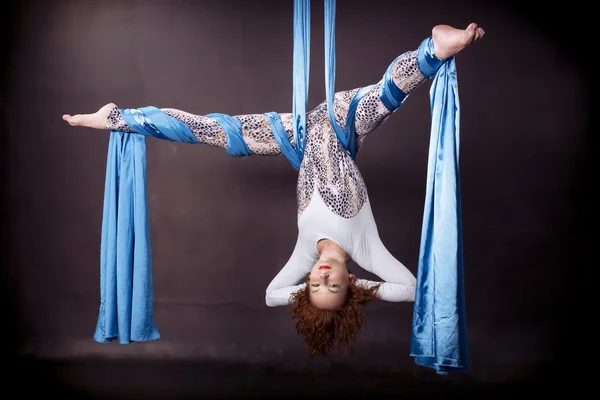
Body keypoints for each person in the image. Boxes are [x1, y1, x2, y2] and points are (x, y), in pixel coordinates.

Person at [63, 23, 485, 357]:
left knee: (212, 131)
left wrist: (305, 294)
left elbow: (270, 296)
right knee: (383, 97)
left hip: (296, 137)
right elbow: (410, 288)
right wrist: (359, 290)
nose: (321, 280)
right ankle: (435, 50)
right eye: (333, 287)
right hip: (342, 124)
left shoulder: (304, 257)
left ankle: (118, 117)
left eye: (316, 288)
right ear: (349, 279)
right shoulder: (366, 249)